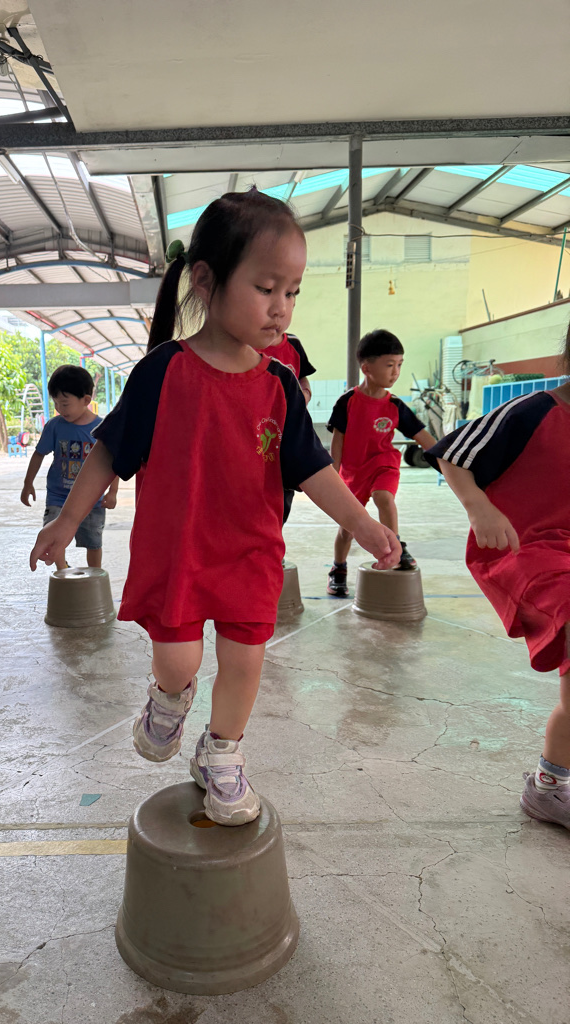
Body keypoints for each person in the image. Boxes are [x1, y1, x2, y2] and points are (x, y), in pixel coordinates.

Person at [30, 189, 401, 826]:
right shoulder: (162, 371)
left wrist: (362, 523)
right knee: (180, 662)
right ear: (205, 280)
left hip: (250, 551)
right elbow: (109, 449)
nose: (281, 307)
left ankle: (221, 752)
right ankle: (168, 699)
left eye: (293, 292)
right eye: (266, 288)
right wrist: (66, 520)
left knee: (245, 660)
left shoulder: (280, 385)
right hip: (178, 551)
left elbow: (312, 467)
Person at [427, 329, 570, 828]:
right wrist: (479, 508)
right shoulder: (534, 410)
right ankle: (550, 784)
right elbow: (450, 453)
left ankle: (553, 778)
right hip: (524, 548)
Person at [325, 329, 436, 597]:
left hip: (383, 464)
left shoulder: (396, 406)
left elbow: (425, 439)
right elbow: (337, 443)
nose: (396, 372)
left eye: (399, 365)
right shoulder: (347, 402)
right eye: (389, 365)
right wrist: (333, 476)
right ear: (366, 368)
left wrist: (450, 460)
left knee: (383, 497)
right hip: (353, 473)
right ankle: (339, 568)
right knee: (347, 529)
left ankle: (395, 546)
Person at [20, 363, 118, 569]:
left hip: (92, 499)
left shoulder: (102, 428)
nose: (59, 409)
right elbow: (38, 454)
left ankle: (95, 573)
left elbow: (112, 462)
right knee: (53, 535)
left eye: (65, 404)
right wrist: (27, 483)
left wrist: (112, 492)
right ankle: (63, 571)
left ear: (86, 400)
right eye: (56, 403)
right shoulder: (55, 426)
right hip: (58, 496)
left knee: (93, 541)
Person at [263, 331, 316, 524]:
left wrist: (304, 394)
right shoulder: (245, 342)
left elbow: (302, 378)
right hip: (259, 433)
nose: (277, 315)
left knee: (283, 498)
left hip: (286, 433)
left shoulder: (293, 343)